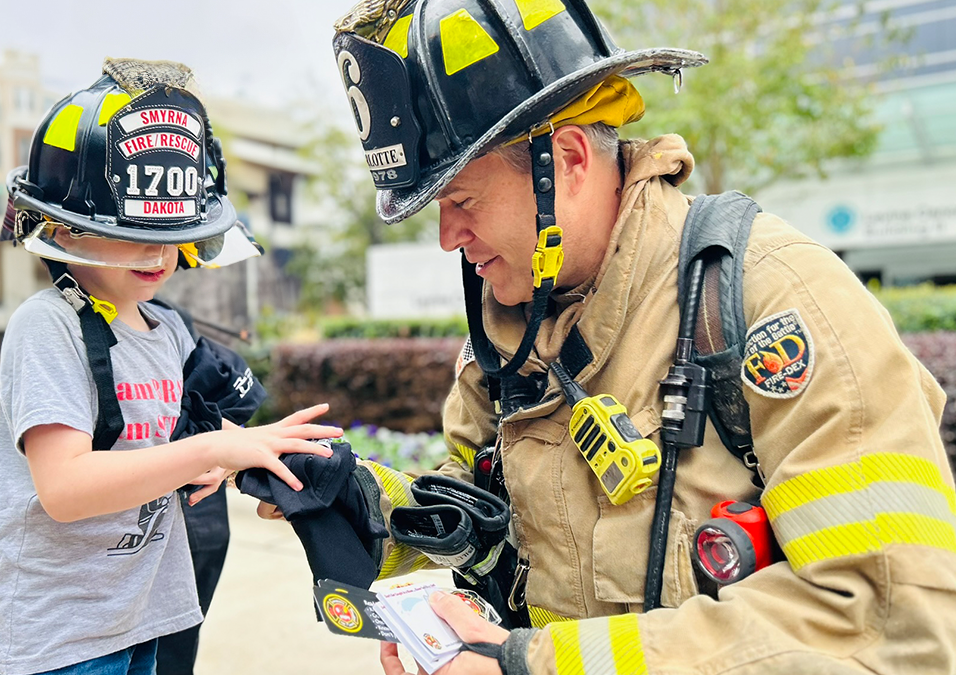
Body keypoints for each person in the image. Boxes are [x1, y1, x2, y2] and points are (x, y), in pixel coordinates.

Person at [313, 1, 956, 673]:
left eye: (462, 201)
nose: (447, 237)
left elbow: (886, 623)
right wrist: (356, 500)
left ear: (564, 159)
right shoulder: (508, 337)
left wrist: (528, 663)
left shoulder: (778, 300)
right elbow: (479, 509)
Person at [0, 58, 340, 675]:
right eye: (135, 231)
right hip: (61, 639)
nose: (158, 251)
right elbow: (65, 490)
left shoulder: (169, 329)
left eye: (175, 232)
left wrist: (267, 456)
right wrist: (210, 453)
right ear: (68, 228)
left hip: (146, 614)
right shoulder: (48, 327)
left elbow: (180, 441)